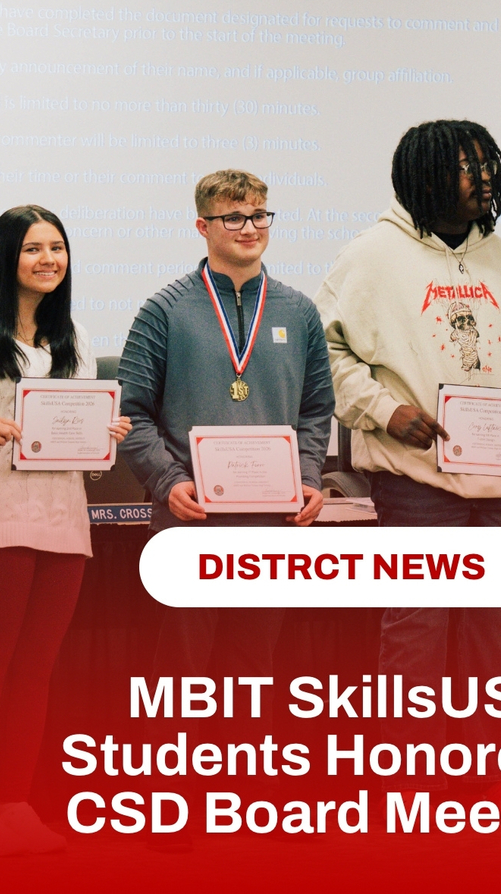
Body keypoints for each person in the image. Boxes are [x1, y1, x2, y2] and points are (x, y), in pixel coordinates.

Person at [314, 120, 501, 798]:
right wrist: (384, 410)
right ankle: (410, 781)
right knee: (418, 628)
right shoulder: (368, 256)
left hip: (500, 476)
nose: (482, 178)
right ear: (423, 177)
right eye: (465, 166)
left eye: (487, 164)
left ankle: (483, 778)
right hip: (418, 480)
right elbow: (326, 355)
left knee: (494, 627)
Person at [117, 169, 334, 839]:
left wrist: (305, 475)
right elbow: (133, 414)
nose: (249, 228)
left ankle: (242, 808)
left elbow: (317, 410)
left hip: (271, 523)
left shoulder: (297, 312)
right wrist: (165, 481)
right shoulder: (165, 310)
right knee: (182, 671)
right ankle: (174, 808)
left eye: (260, 216)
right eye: (234, 217)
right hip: (189, 521)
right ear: (202, 226)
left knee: (254, 669)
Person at [0, 206, 131, 856]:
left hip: (59, 521)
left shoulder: (64, 333)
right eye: (32, 249)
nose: (48, 259)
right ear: (4, 257)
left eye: (57, 248)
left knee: (36, 670)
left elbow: (65, 433)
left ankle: (15, 803)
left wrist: (102, 439)